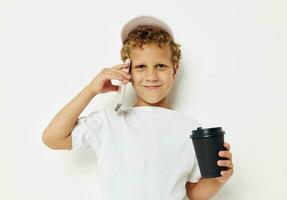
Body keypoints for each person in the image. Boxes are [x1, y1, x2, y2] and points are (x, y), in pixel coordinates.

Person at [42, 15, 234, 200]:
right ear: (127, 71)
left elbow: (193, 192)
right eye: (141, 67)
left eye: (160, 66)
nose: (151, 76)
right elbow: (53, 138)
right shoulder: (109, 123)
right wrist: (91, 89)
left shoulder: (190, 129)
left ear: (174, 70)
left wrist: (217, 180)